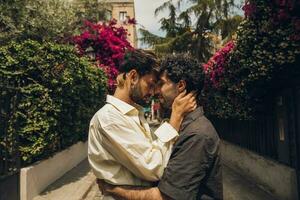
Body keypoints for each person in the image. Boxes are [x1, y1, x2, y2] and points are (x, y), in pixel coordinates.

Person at [97, 54, 223, 200]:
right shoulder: (181, 124)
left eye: (161, 84)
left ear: (181, 86)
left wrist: (113, 189)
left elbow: (165, 196)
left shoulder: (197, 135)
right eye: (152, 85)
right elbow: (156, 151)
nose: (155, 92)